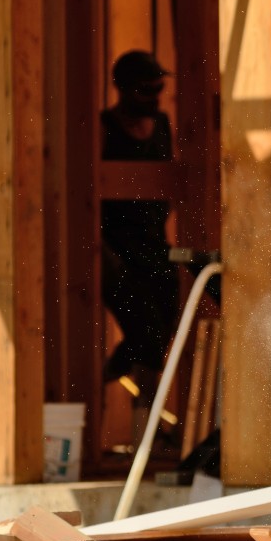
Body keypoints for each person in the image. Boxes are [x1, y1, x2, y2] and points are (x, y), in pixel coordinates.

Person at [100, 50, 180, 440]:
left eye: (159, 87)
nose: (154, 96)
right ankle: (142, 431)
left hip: (156, 247)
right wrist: (104, 252)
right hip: (117, 250)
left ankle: (139, 421)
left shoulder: (163, 124)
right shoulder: (104, 127)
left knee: (162, 331)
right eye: (145, 89)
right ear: (122, 89)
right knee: (146, 332)